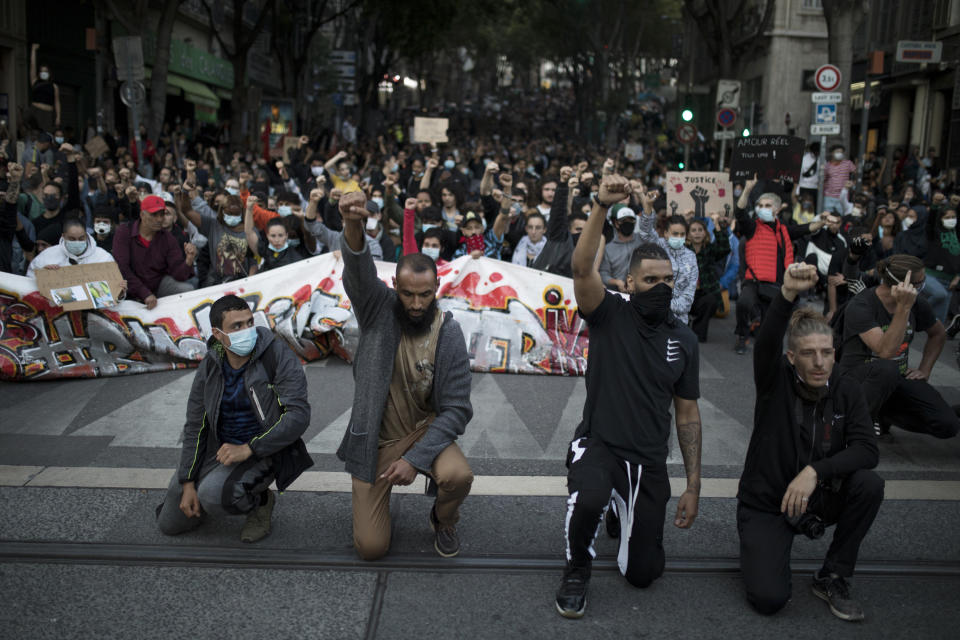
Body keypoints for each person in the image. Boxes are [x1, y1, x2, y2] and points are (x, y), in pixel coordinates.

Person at [556, 174, 701, 619]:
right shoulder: (609, 314)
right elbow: (582, 270)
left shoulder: (685, 341)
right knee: (591, 496)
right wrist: (600, 204)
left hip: (649, 459)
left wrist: (694, 484)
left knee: (644, 573)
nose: (662, 286)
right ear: (631, 283)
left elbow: (688, 414)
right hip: (600, 444)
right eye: (651, 279)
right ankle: (578, 567)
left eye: (669, 280)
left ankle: (626, 509)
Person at [738, 261, 882, 622]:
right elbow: (767, 342)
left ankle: (833, 575)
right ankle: (767, 548)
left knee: (868, 483)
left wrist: (815, 471)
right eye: (808, 353)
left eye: (827, 353)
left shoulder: (847, 388)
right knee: (769, 599)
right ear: (791, 358)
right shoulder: (775, 383)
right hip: (769, 501)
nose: (820, 363)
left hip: (817, 495)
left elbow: (868, 450)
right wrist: (786, 294)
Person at [336, 189, 474, 560]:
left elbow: (457, 410)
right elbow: (358, 268)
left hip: (425, 433)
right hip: (377, 442)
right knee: (371, 548)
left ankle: (443, 519)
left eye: (425, 295)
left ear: (436, 290)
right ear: (395, 287)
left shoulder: (449, 332)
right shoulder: (376, 309)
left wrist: (416, 459)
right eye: (409, 294)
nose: (416, 304)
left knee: (457, 476)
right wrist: (353, 221)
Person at [156, 294, 312, 543]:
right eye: (236, 326)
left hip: (265, 449)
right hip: (218, 449)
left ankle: (260, 501)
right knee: (170, 523)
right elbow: (196, 423)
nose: (246, 330)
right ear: (218, 334)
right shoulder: (211, 363)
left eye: (249, 322)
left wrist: (250, 448)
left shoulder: (276, 354)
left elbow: (298, 415)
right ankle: (214, 490)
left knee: (212, 495)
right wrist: (187, 481)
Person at [839, 254, 959, 440]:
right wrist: (903, 308)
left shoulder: (917, 303)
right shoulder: (862, 305)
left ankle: (884, 414)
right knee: (887, 368)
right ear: (903, 285)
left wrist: (924, 370)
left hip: (896, 378)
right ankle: (855, 424)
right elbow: (885, 351)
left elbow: (938, 334)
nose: (923, 286)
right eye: (920, 282)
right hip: (860, 379)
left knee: (947, 425)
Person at [112, 194, 197, 309]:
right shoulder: (124, 232)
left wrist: (188, 260)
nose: (159, 219)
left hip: (157, 284)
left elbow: (178, 273)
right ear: (142, 214)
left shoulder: (168, 238)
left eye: (162, 214)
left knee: (187, 290)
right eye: (154, 215)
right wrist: (144, 293)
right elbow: (122, 268)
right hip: (128, 287)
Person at [637, 203, 698, 325]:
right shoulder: (656, 246)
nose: (679, 237)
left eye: (682, 234)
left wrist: (663, 306)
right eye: (675, 234)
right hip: (652, 318)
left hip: (678, 321)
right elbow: (645, 230)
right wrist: (647, 206)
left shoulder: (691, 256)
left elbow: (688, 296)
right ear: (665, 233)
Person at [686, 215, 731, 342]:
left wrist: (717, 225)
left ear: (705, 233)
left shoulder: (710, 250)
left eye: (700, 230)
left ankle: (698, 331)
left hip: (703, 292)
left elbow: (724, 248)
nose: (697, 233)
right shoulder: (683, 249)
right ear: (688, 234)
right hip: (686, 293)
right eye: (693, 230)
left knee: (711, 301)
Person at [26, 217, 116, 277]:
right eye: (72, 239)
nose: (77, 242)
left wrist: (120, 291)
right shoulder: (46, 256)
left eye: (81, 238)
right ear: (64, 236)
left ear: (86, 235)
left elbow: (114, 289)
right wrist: (43, 274)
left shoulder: (103, 258)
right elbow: (30, 283)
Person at [598, 205, 644, 292]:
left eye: (631, 220)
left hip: (641, 290)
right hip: (619, 293)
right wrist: (617, 282)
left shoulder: (642, 240)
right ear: (616, 223)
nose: (628, 223)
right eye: (624, 220)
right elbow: (603, 274)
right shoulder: (608, 249)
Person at [29, 44, 60, 132]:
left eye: (46, 71)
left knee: (46, 135)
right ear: (39, 73)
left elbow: (57, 102)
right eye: (42, 71)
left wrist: (58, 117)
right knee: (33, 133)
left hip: (47, 114)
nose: (43, 73)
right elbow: (32, 66)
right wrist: (33, 51)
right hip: (35, 111)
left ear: (49, 73)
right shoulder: (35, 82)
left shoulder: (54, 86)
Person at [823, 146, 856, 216]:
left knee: (841, 217)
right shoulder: (827, 165)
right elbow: (823, 179)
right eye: (837, 152)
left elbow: (857, 173)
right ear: (832, 153)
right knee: (827, 216)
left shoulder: (848, 163)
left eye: (841, 152)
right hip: (828, 196)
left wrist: (853, 182)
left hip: (842, 196)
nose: (840, 154)